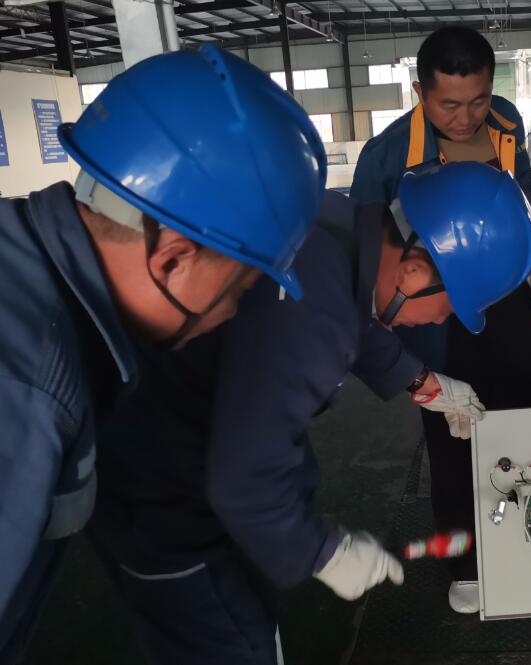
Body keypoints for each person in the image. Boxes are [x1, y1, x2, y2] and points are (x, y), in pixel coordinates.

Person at [89, 162, 531, 665]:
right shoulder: (315, 314)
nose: (441, 319)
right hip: (171, 498)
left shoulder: (335, 222)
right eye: (451, 306)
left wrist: (424, 383)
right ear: (413, 271)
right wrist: (323, 552)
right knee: (230, 640)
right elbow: (244, 482)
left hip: (166, 437)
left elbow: (354, 310)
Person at [0, 44, 326, 664]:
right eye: (241, 289)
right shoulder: (27, 393)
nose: (233, 315)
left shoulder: (25, 261)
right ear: (173, 257)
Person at [350, 25, 531, 613]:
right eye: (448, 104)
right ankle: (467, 564)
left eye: (478, 100)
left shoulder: (507, 122)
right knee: (452, 432)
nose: (465, 118)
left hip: (508, 296)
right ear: (420, 91)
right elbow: (367, 261)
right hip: (436, 309)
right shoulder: (386, 156)